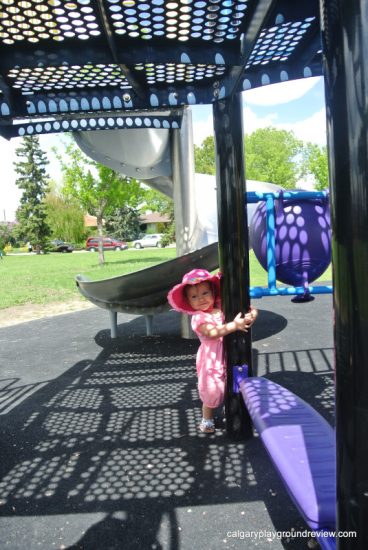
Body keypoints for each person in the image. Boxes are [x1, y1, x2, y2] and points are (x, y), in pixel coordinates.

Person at [168, 268, 258, 434]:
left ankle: (231, 410)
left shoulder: (221, 307)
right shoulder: (199, 317)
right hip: (211, 359)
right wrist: (235, 325)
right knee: (212, 391)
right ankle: (207, 419)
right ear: (188, 301)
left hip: (230, 354)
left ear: (213, 291)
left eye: (205, 292)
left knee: (235, 383)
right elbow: (213, 332)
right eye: (194, 296)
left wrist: (252, 314)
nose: (201, 298)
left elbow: (248, 310)